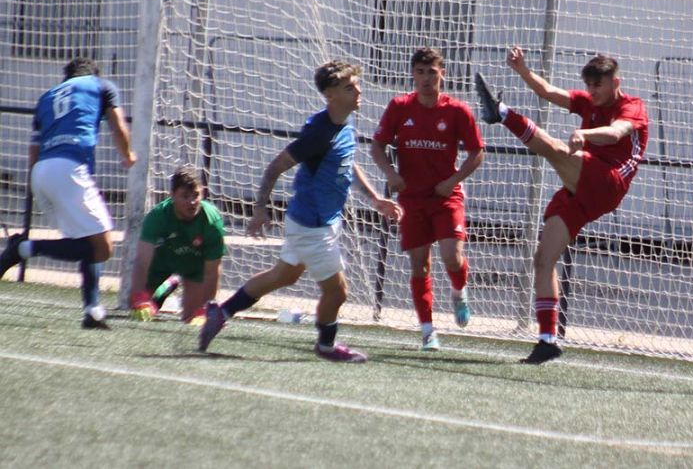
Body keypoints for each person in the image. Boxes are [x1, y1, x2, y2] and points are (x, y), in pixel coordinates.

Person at [198, 60, 402, 362]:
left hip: (318, 221)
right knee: (338, 292)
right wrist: (259, 211)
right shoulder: (318, 134)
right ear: (330, 95)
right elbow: (274, 168)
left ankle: (222, 311)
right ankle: (326, 346)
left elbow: (347, 162)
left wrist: (375, 199)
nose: (359, 91)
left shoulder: (344, 123)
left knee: (283, 276)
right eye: (350, 87)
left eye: (357, 84)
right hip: (312, 226)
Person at [474, 47, 648, 364]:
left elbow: (616, 132)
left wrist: (586, 134)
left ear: (615, 82)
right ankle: (547, 341)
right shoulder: (588, 102)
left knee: (555, 149)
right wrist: (522, 70)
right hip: (580, 189)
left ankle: (501, 113)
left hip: (609, 181)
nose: (592, 91)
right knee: (543, 260)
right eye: (590, 85)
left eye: (599, 85)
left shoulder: (632, 106)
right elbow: (548, 91)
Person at [0, 57, 137, 328]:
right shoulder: (101, 85)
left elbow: (33, 150)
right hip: (69, 169)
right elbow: (117, 124)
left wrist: (37, 185)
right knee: (104, 247)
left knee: (86, 241)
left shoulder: (46, 98)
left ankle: (92, 310)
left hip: (42, 173)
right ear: (93, 73)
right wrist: (128, 154)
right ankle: (23, 249)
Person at [371, 47, 485, 351]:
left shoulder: (457, 111)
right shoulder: (399, 107)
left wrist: (452, 181)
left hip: (445, 197)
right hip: (412, 199)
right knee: (419, 264)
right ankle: (427, 331)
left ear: (442, 73)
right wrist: (391, 175)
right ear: (412, 74)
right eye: (420, 72)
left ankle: (459, 292)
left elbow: (477, 153)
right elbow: (377, 146)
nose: (425, 78)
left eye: (431, 72)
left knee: (451, 255)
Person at [129, 165, 226, 324]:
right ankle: (167, 285)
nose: (192, 202)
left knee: (192, 319)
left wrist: (207, 308)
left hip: (194, 266)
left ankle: (175, 283)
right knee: (137, 311)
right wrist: (139, 297)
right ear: (172, 195)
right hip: (162, 262)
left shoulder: (212, 221)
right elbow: (141, 261)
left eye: (196, 195)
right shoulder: (157, 216)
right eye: (185, 196)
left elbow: (212, 271)